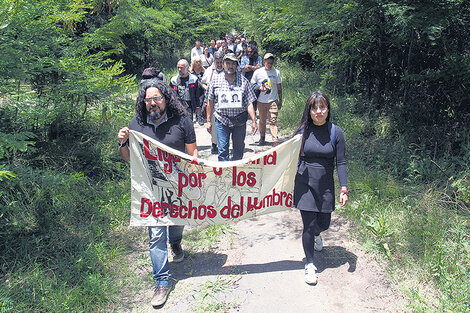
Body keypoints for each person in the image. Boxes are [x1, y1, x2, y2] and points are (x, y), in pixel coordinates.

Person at [117, 79, 198, 307]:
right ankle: (162, 281)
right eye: (148, 99)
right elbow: (129, 158)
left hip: (178, 187)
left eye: (157, 98)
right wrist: (123, 142)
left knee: (177, 223)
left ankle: (176, 242)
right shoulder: (136, 124)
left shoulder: (182, 122)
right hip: (151, 191)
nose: (153, 103)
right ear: (144, 102)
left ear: (166, 99)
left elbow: (193, 156)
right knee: (155, 234)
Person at [293, 91, 348, 285]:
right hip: (304, 182)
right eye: (314, 108)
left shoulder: (336, 132)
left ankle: (317, 234)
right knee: (307, 225)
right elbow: (288, 157)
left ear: (328, 109)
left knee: (324, 223)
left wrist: (344, 188)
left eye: (322, 107)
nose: (318, 111)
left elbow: (341, 162)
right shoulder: (302, 131)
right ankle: (309, 264)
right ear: (309, 111)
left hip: (325, 185)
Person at [206, 53, 258, 161]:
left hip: (239, 121)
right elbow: (210, 102)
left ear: (237, 65)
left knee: (238, 151)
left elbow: (249, 102)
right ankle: (224, 175)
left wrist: (254, 120)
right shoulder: (215, 81)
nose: (230, 66)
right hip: (221, 120)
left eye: (233, 63)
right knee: (222, 151)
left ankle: (236, 173)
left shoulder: (244, 82)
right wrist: (208, 121)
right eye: (228, 63)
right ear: (223, 64)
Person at [251, 53, 283, 146]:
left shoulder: (276, 72)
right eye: (268, 62)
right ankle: (262, 138)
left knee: (273, 120)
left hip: (273, 100)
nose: (269, 65)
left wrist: (280, 100)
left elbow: (279, 87)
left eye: (271, 63)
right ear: (263, 62)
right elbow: (252, 85)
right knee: (262, 120)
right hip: (261, 101)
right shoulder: (258, 72)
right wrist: (259, 88)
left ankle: (274, 140)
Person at [201, 51, 224, 154]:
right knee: (213, 124)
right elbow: (202, 82)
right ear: (214, 61)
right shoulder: (209, 71)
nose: (219, 64)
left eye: (221, 62)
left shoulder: (227, 71)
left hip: (224, 102)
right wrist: (209, 88)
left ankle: (223, 143)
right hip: (212, 101)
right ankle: (214, 144)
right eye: (217, 62)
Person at [190, 56, 206, 125]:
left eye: (199, 62)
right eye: (197, 62)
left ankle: (199, 118)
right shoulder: (191, 72)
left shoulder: (203, 71)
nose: (198, 63)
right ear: (194, 63)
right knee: (195, 103)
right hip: (193, 90)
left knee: (200, 102)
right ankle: (195, 116)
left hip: (201, 90)